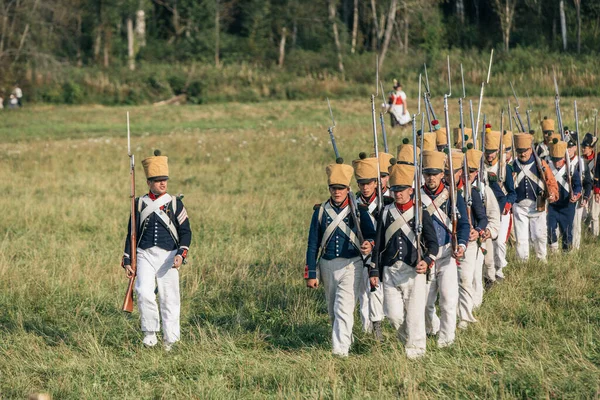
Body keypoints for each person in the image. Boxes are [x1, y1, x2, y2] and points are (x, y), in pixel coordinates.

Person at [122, 150, 192, 351]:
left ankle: (170, 340)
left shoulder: (175, 203)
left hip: (169, 255)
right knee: (143, 292)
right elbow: (132, 233)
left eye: (165, 180)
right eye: (158, 180)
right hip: (144, 254)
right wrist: (128, 259)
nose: (163, 183)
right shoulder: (139, 203)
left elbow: (186, 232)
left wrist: (181, 254)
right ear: (149, 182)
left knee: (169, 298)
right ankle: (150, 333)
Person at [305, 158, 376, 357]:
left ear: (347, 188)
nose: (337, 192)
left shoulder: (359, 210)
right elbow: (313, 244)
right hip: (327, 265)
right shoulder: (320, 211)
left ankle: (340, 351)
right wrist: (311, 272)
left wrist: (369, 243)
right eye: (333, 188)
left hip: (351, 264)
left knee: (343, 308)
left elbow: (371, 234)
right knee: (332, 311)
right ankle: (346, 338)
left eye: (341, 188)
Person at [370, 159, 438, 359]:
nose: (398, 193)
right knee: (393, 315)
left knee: (416, 314)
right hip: (390, 270)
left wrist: (427, 260)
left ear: (410, 190)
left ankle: (416, 353)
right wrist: (374, 270)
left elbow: (432, 243)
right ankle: (405, 340)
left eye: (402, 189)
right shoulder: (386, 212)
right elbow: (379, 243)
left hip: (413, 270)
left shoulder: (420, 212)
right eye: (395, 189)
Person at [422, 150, 469, 348]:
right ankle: (432, 329)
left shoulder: (452, 195)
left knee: (449, 300)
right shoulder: (418, 196)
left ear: (443, 174)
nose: (431, 178)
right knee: (425, 303)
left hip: (448, 252)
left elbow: (465, 224)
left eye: (435, 173)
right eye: (427, 174)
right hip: (425, 255)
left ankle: (446, 340)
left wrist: (463, 244)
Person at [352, 153, 389, 339]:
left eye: (369, 183)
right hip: (359, 253)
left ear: (376, 182)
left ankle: (377, 327)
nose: (365, 187)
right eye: (361, 184)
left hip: (381, 252)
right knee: (362, 293)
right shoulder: (353, 204)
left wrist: (373, 243)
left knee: (376, 290)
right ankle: (365, 330)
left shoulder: (385, 202)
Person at [512, 134, 558, 262]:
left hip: (538, 204)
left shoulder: (541, 164)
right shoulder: (512, 165)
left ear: (530, 149)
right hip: (519, 206)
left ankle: (541, 260)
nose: (522, 154)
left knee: (539, 236)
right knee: (521, 238)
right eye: (519, 151)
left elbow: (551, 181)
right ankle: (522, 263)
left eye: (525, 150)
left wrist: (552, 193)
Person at [482, 129, 516, 286]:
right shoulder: (480, 167)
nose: (489, 155)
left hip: (502, 211)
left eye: (492, 152)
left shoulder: (504, 168)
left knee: (499, 242)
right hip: (484, 211)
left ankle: (499, 269)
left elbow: (512, 193)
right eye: (487, 151)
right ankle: (488, 273)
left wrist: (507, 204)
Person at [546, 139, 582, 252]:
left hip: (567, 205)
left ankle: (566, 254)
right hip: (553, 206)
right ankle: (553, 251)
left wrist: (575, 195)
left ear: (563, 158)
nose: (556, 162)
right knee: (550, 229)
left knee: (567, 232)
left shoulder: (571, 169)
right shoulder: (548, 169)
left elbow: (578, 186)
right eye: (554, 159)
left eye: (558, 160)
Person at [567, 133, 592, 250]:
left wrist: (586, 197)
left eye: (571, 147)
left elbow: (588, 183)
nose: (568, 149)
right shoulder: (560, 162)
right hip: (563, 199)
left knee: (576, 226)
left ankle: (575, 249)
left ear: (575, 147)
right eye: (566, 147)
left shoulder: (581, 163)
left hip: (578, 198)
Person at [581, 133, 600, 236]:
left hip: (596, 189)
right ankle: (586, 235)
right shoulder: (580, 160)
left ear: (591, 148)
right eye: (583, 146)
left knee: (594, 215)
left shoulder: (597, 159)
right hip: (584, 189)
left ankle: (595, 236)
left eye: (585, 147)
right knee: (584, 215)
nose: (583, 148)